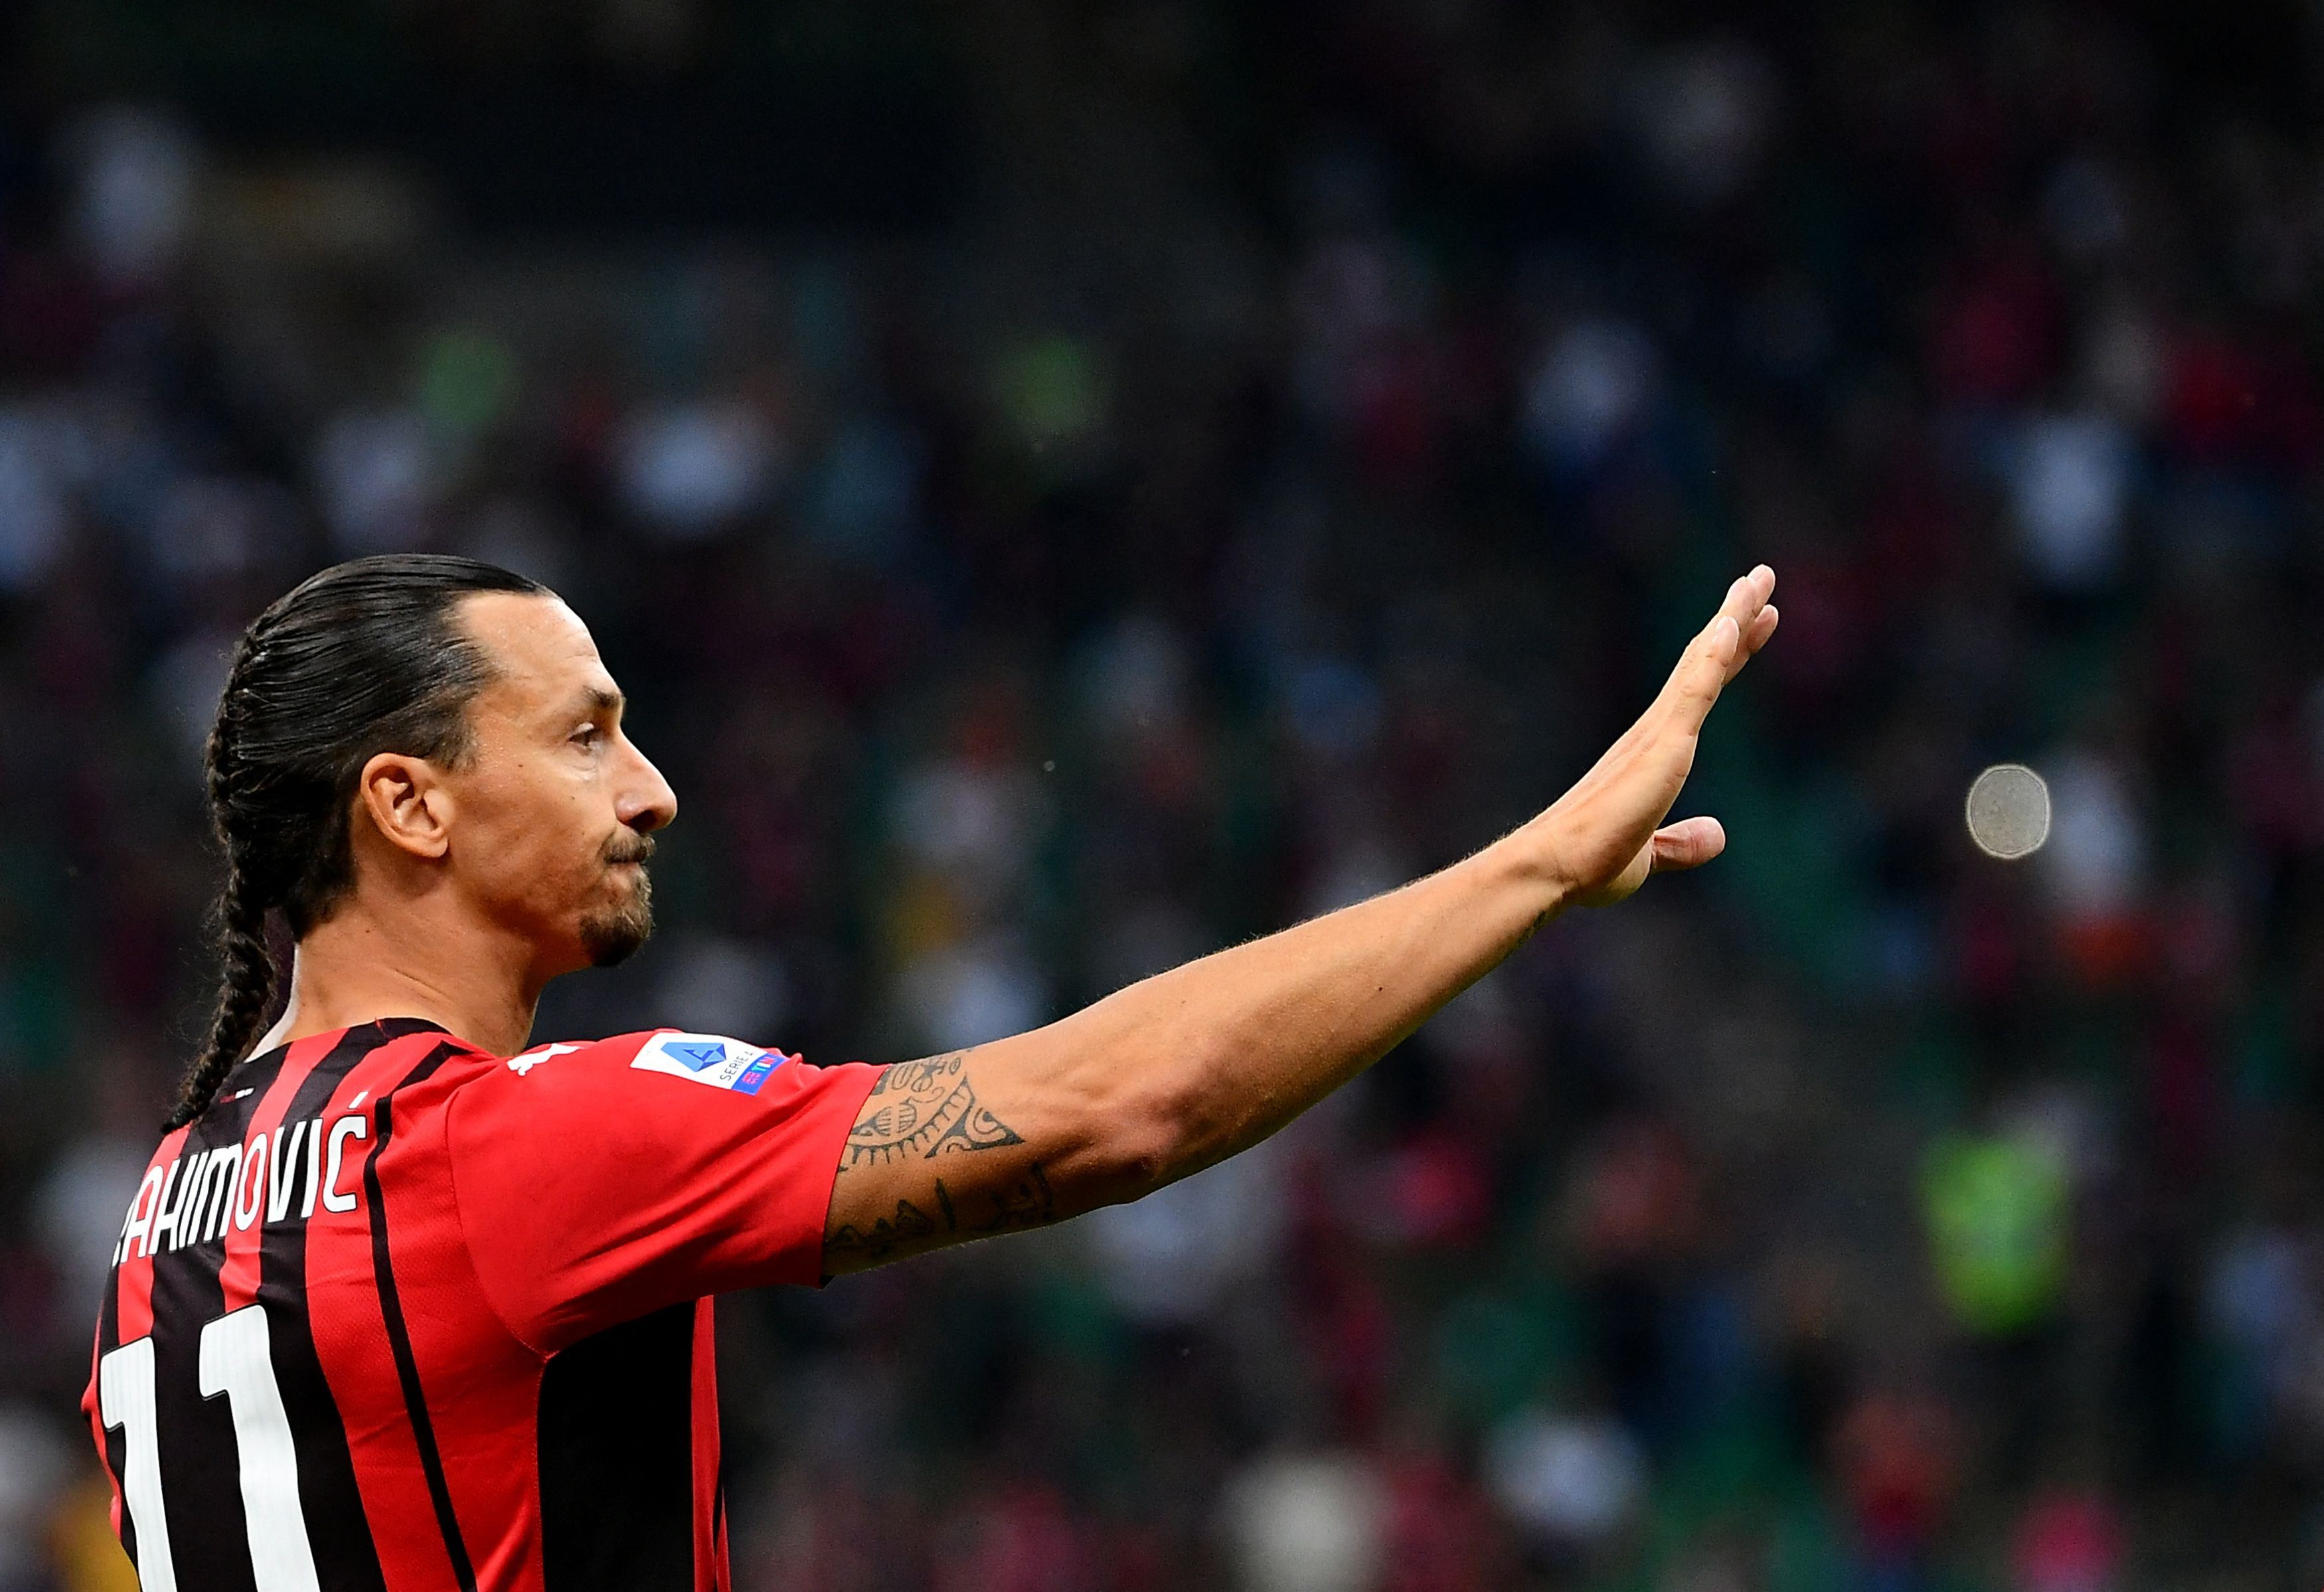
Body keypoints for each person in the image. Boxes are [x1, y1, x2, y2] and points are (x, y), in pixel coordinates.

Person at [83, 553, 1778, 1590]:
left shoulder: (156, 1229)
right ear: (409, 803)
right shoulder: (512, 1143)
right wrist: (1530, 867)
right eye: (584, 734)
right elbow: (1119, 1107)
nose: (652, 787)